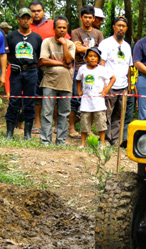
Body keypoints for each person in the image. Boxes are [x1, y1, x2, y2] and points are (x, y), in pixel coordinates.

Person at [29, 0, 70, 134]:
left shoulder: (54, 24)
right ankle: (37, 123)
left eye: (38, 11)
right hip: (33, 65)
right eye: (33, 11)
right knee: (37, 96)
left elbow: (67, 40)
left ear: (43, 12)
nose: (36, 14)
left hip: (51, 69)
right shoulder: (27, 24)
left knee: (56, 97)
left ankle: (58, 125)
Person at [4, 8, 42, 139]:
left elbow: (39, 57)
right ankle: (10, 132)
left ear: (31, 20)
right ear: (18, 20)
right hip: (16, 72)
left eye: (28, 18)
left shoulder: (37, 38)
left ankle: (27, 133)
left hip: (32, 72)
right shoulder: (11, 36)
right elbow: (8, 55)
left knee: (29, 102)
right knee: (14, 101)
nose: (25, 21)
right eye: (23, 18)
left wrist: (31, 66)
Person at [39, 15, 75, 145]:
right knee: (47, 112)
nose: (62, 30)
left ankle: (60, 140)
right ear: (54, 28)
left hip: (66, 84)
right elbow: (44, 60)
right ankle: (45, 140)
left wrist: (64, 44)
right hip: (49, 82)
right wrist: (62, 65)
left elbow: (69, 61)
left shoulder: (70, 44)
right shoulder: (47, 42)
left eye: (64, 28)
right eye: (59, 27)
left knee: (64, 113)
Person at [69, 5, 104, 138]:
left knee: (93, 99)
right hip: (79, 69)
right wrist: (93, 49)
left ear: (93, 18)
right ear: (81, 18)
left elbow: (100, 52)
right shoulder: (76, 32)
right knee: (75, 99)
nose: (88, 20)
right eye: (85, 17)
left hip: (95, 71)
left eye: (90, 17)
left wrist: (85, 48)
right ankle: (71, 128)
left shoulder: (98, 33)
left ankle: (88, 129)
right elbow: (76, 49)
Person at [98, 16, 133, 145]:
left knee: (119, 115)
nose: (121, 28)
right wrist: (103, 84)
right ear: (114, 27)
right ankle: (105, 139)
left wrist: (130, 86)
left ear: (126, 29)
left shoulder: (127, 46)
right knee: (106, 113)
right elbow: (101, 64)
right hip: (109, 85)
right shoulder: (106, 43)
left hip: (123, 85)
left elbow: (129, 68)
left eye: (123, 26)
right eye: (118, 25)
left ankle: (115, 139)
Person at [76, 47, 115, 149]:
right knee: (84, 123)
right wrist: (79, 91)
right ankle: (83, 143)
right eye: (90, 56)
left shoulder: (102, 70)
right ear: (86, 58)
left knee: (101, 123)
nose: (93, 58)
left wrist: (106, 90)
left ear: (98, 59)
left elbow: (113, 78)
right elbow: (78, 80)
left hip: (99, 102)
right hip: (86, 101)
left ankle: (102, 143)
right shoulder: (82, 69)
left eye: (95, 56)